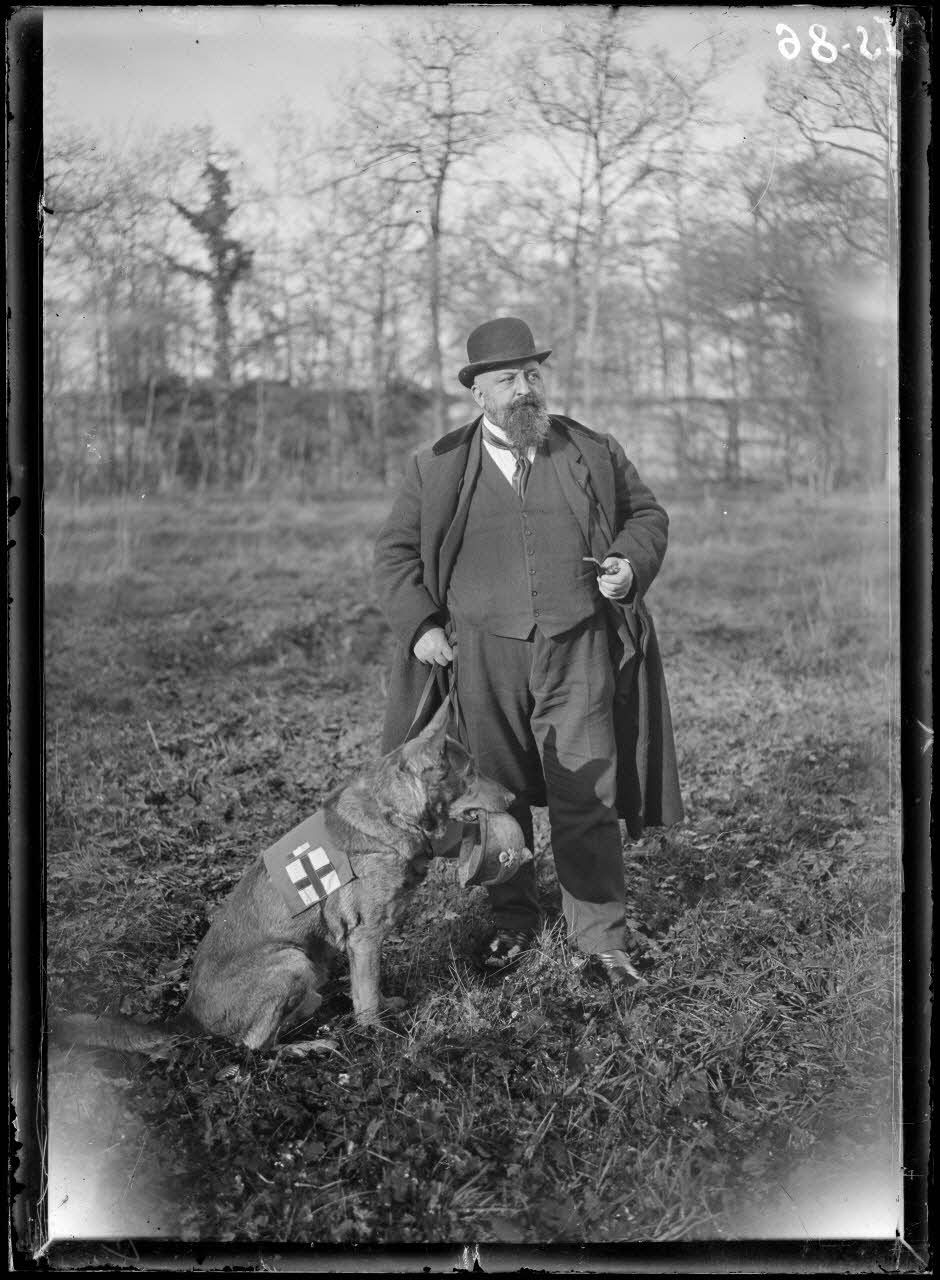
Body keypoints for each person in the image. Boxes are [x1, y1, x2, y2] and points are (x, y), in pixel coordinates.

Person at [373, 317, 682, 987]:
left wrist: (628, 563)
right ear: (479, 392)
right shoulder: (437, 466)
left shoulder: (591, 450)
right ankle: (513, 919)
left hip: (578, 648)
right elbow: (395, 554)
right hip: (481, 657)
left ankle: (600, 937)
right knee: (493, 797)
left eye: (533, 375)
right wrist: (422, 625)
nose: (525, 389)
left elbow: (646, 516)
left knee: (587, 790)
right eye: (509, 378)